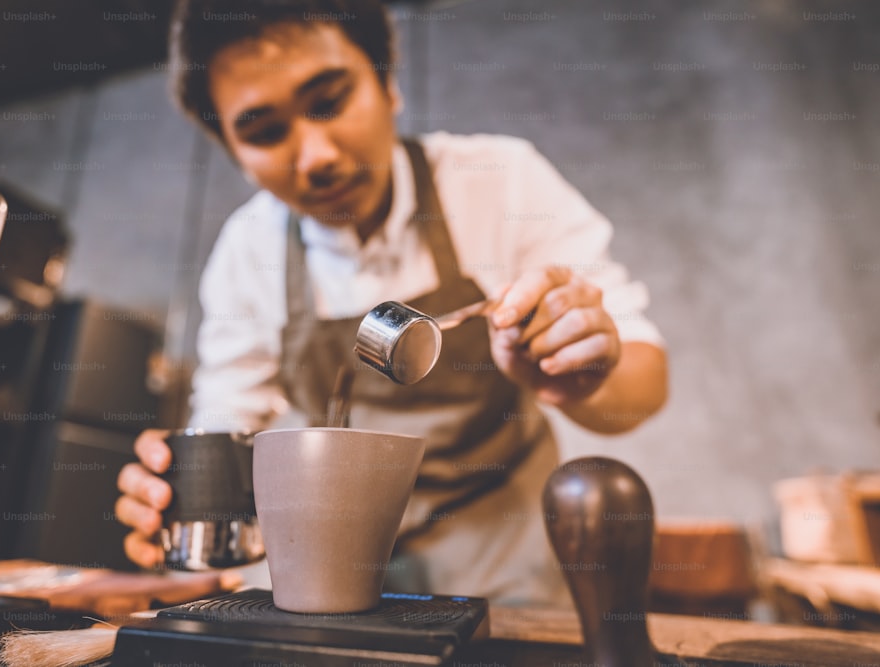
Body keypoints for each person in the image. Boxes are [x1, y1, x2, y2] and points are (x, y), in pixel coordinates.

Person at [115, 0, 667, 608]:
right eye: (266, 132)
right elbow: (230, 421)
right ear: (234, 153)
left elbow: (642, 387)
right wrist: (186, 497)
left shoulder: (499, 180)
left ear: (387, 82)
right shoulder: (247, 252)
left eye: (330, 100)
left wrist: (583, 373)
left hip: (505, 576)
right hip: (326, 581)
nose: (318, 156)